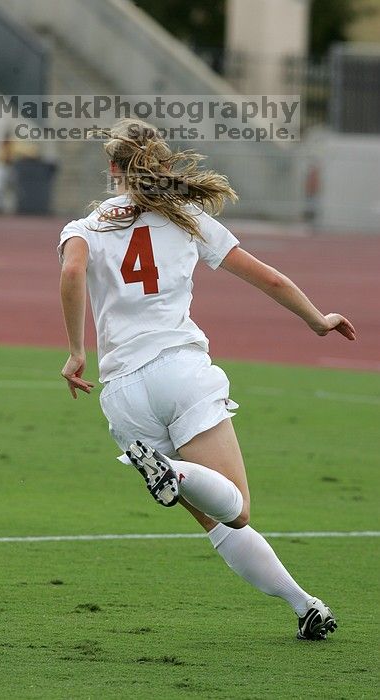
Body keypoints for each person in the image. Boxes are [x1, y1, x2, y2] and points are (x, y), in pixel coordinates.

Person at [58, 119, 356, 641]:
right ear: (161, 162)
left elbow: (71, 273)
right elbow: (269, 276)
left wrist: (77, 350)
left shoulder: (84, 228)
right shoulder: (188, 217)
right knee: (237, 508)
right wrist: (317, 319)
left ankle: (304, 605)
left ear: (111, 170)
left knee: (220, 523)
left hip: (124, 391)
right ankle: (175, 475)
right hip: (180, 371)